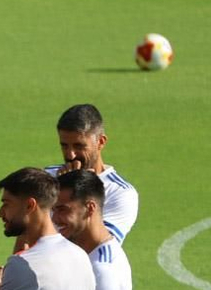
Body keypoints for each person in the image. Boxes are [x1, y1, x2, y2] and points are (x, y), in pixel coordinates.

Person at [46, 104, 140, 243]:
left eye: (79, 146)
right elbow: (27, 234)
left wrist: (73, 190)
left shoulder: (120, 193)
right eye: (64, 145)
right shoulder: (46, 178)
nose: (70, 155)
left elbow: (97, 246)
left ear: (100, 142)